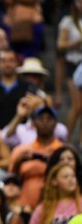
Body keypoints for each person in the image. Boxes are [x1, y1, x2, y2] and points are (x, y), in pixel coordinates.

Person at [8, 105, 64, 209]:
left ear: (56, 123)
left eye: (49, 119)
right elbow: (10, 183)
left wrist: (53, 161)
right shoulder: (21, 151)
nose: (45, 122)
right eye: (41, 118)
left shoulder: (63, 152)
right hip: (24, 208)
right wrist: (18, 163)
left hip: (55, 207)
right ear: (34, 122)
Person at [0, 48, 33, 129]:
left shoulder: (28, 87)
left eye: (11, 60)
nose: (7, 64)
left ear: (17, 63)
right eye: (3, 61)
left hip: (22, 135)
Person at [55, 0, 82, 145]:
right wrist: (77, 43)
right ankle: (66, 140)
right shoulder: (68, 22)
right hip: (73, 64)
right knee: (77, 106)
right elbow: (60, 45)